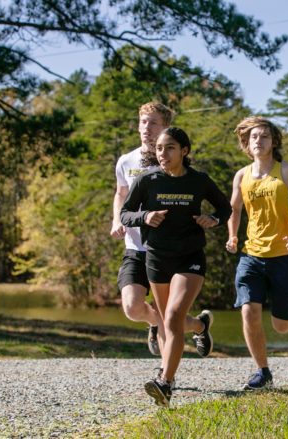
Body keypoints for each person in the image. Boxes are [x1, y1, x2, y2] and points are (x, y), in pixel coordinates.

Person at [121, 127, 231, 407]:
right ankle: (200, 325)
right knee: (167, 320)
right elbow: (125, 213)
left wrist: (214, 220)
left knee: (171, 317)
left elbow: (225, 208)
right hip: (157, 258)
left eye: (170, 148)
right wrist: (146, 216)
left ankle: (165, 382)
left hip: (189, 257)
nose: (163, 153)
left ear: (184, 151)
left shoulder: (199, 181)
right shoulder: (147, 180)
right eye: (159, 148)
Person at [225, 116, 288, 391]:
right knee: (248, 311)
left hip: (283, 256)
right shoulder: (241, 175)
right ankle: (262, 372)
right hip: (251, 255)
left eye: (264, 136)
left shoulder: (287, 171)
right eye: (254, 136)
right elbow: (234, 209)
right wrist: (232, 236)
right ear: (246, 142)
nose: (259, 141)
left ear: (274, 141)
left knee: (281, 326)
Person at [111, 102, 174, 356]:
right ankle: (159, 324)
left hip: (164, 249)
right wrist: (117, 220)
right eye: (143, 122)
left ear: (165, 127)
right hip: (135, 248)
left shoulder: (171, 161)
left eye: (154, 122)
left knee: (167, 313)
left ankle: (164, 376)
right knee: (132, 307)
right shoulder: (126, 161)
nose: (147, 128)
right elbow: (120, 193)